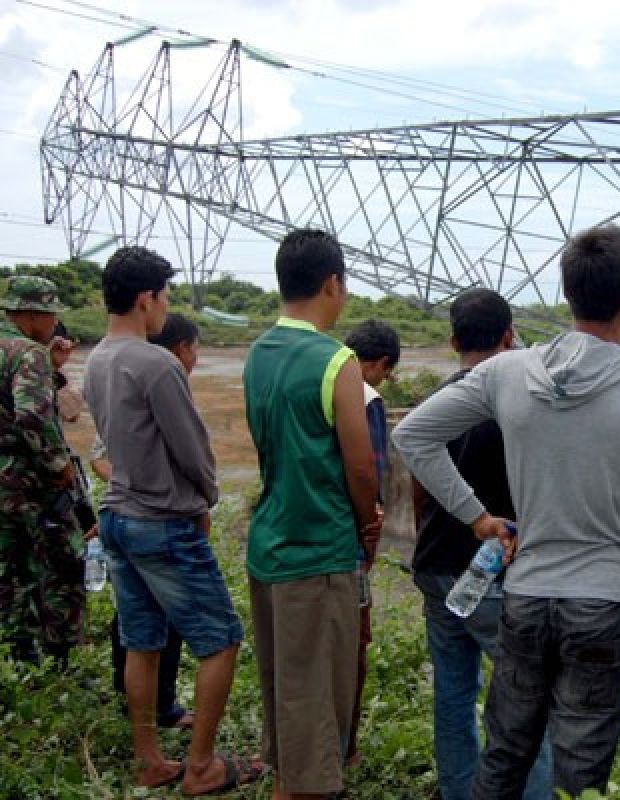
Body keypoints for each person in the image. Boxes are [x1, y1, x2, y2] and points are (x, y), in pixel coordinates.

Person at [393, 224, 620, 799]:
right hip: (605, 603)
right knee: (579, 775)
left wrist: (476, 516)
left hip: (527, 598)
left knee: (505, 757)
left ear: (567, 295)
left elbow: (413, 435)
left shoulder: (506, 373)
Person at [84, 247, 257, 794]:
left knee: (143, 641)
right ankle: (202, 766)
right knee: (221, 639)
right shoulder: (156, 363)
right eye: (165, 296)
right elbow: (193, 450)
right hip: (163, 523)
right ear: (145, 298)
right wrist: (206, 497)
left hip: (118, 516)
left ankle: (149, 759)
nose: (167, 307)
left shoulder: (96, 359)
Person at [244, 229, 382, 800]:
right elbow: (360, 467)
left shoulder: (258, 353)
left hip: (268, 545)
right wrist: (367, 520)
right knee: (318, 691)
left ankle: (286, 778)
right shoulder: (338, 361)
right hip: (318, 552)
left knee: (285, 683)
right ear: (332, 283)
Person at [408, 288, 554, 800]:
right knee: (526, 701)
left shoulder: (437, 401)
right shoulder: (519, 406)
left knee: (452, 694)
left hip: (434, 566)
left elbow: (419, 488)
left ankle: (457, 791)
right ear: (509, 337)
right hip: (494, 573)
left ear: (452, 341)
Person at [90, 312, 201, 731]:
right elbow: (101, 456)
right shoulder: (152, 382)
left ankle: (150, 707)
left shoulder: (135, 378)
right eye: (194, 347)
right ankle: (155, 708)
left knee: (143, 622)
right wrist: (140, 483)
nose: (196, 358)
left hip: (128, 518)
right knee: (159, 623)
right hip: (153, 520)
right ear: (180, 349)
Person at [0, 276, 84, 667]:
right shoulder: (29, 352)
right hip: (31, 478)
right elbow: (32, 415)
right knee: (62, 563)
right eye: (50, 314)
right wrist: (59, 465)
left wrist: (53, 368)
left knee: (14, 564)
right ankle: (60, 656)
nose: (54, 323)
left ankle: (18, 652)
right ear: (33, 314)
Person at [342, 318, 400, 767]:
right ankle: (346, 746)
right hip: (347, 544)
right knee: (353, 644)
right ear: (379, 363)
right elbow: (370, 478)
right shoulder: (366, 398)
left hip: (297, 540)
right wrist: (370, 539)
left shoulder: (313, 380)